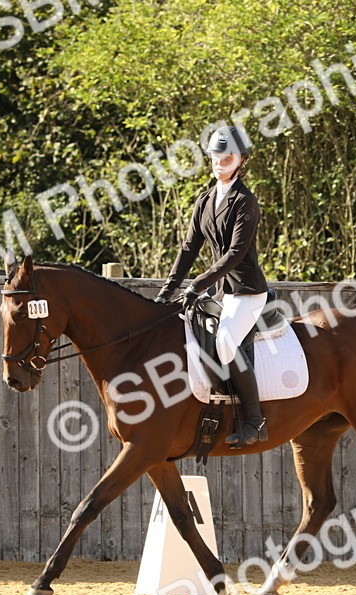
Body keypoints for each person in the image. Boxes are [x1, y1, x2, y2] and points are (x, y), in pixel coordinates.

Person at [155, 125, 269, 448]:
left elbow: (235, 254)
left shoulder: (245, 202)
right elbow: (188, 249)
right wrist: (166, 293)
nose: (221, 162)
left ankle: (255, 420)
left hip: (246, 290)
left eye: (228, 156)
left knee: (226, 343)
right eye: (217, 156)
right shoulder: (205, 201)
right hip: (221, 292)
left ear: (241, 161)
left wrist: (197, 284)